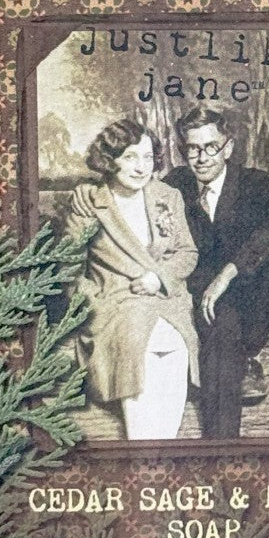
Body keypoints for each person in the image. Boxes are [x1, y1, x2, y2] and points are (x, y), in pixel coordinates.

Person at [164, 105, 269, 439]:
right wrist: (89, 197)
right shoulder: (176, 185)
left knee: (226, 326)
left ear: (227, 148)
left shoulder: (254, 183)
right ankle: (222, 442)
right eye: (192, 149)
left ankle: (222, 440)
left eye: (210, 147)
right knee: (219, 333)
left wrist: (229, 273)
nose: (202, 158)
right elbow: (131, 195)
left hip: (247, 291)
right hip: (196, 290)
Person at [66, 119, 199, 440]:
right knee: (140, 342)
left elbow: (187, 253)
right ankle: (145, 447)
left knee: (176, 346)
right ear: (109, 159)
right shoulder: (91, 201)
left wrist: (160, 277)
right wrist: (90, 303)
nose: (141, 167)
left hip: (165, 300)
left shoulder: (167, 196)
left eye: (148, 157)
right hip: (115, 305)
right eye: (130, 157)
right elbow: (68, 267)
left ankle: (159, 448)